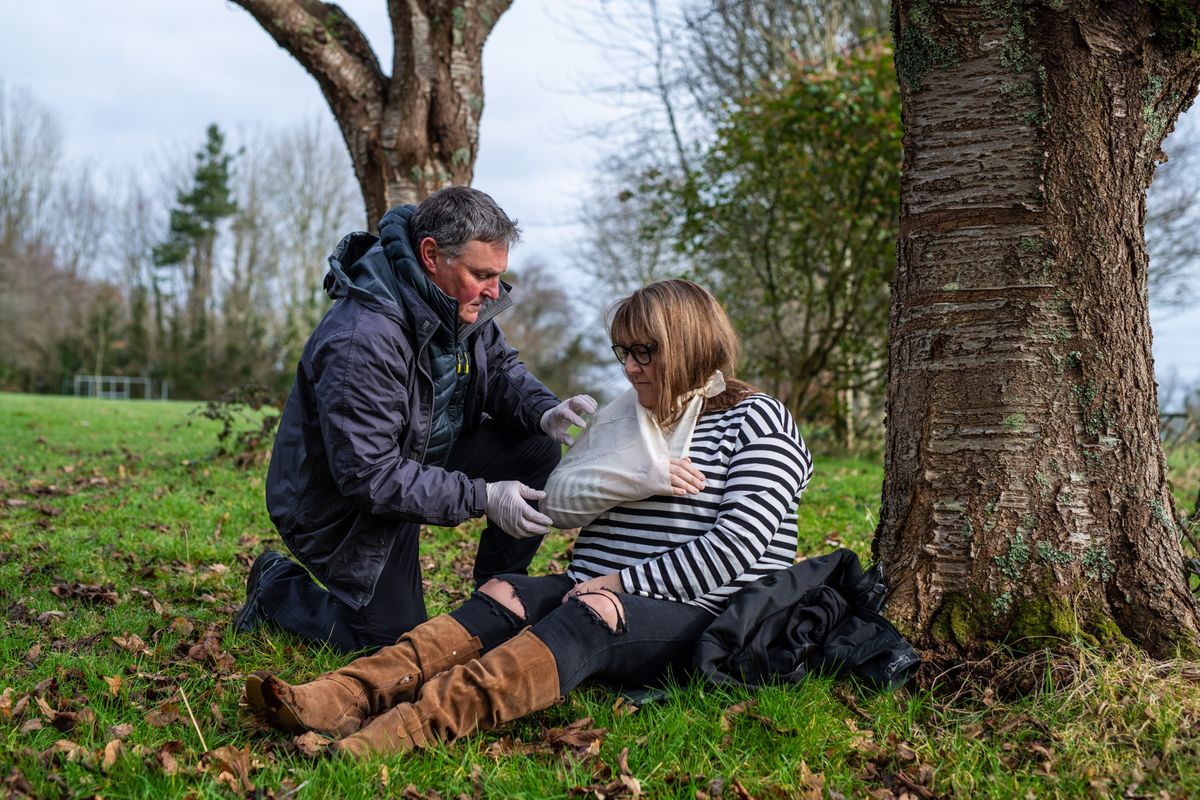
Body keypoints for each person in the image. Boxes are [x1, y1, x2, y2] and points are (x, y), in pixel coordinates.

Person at [244, 279, 813, 757]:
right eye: (624, 353)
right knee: (506, 591)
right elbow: (562, 500)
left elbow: (739, 544)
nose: (631, 370)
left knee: (591, 612)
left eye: (647, 352)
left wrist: (623, 582)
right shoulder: (629, 417)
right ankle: (344, 693)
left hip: (695, 611)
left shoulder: (757, 419)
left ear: (690, 344)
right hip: (593, 586)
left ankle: (408, 730)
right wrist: (624, 489)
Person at [234, 186, 597, 653]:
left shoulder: (459, 301)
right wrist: (482, 496)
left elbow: (500, 369)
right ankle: (274, 587)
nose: (493, 292)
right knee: (389, 642)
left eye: (498, 275)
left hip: (419, 455)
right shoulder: (362, 337)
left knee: (535, 447)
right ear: (431, 255)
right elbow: (368, 475)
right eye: (482, 274)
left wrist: (545, 409)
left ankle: (496, 598)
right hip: (341, 501)